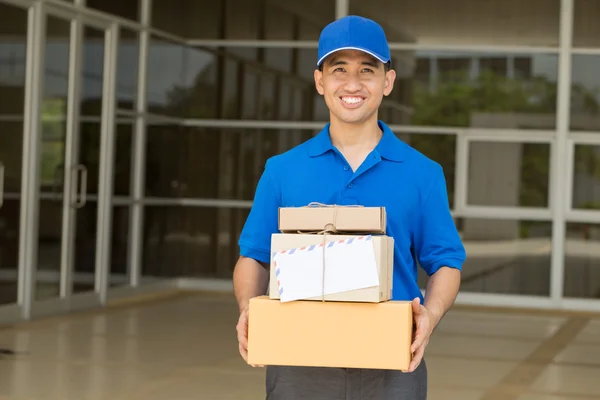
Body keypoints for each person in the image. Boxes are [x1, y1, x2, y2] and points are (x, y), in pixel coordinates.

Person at [233, 15, 466, 400]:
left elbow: (446, 262)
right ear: (320, 81)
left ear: (387, 82)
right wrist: (247, 308)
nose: (353, 84)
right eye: (339, 69)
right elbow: (253, 257)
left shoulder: (423, 173)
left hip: (393, 365)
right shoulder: (282, 170)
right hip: (297, 364)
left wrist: (432, 316)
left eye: (367, 70)